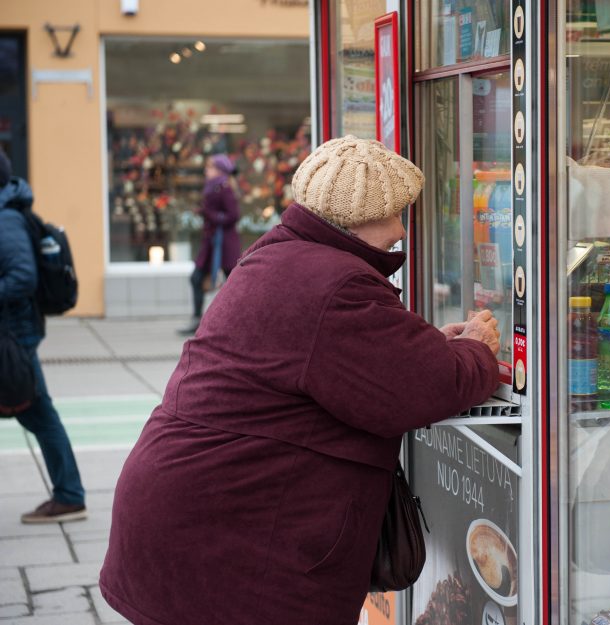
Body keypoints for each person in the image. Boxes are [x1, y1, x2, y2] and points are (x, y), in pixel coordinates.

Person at [100, 136, 501, 625]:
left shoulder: (282, 258)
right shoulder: (336, 282)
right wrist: (476, 348)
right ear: (359, 216)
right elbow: (424, 387)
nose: (400, 230)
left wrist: (422, 346)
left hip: (189, 519)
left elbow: (338, 360)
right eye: (396, 212)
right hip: (232, 541)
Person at [0, 148, 87, 523]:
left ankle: (69, 495)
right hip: (13, 333)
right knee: (38, 412)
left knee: (38, 413)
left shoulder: (5, 220)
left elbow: (22, 277)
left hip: (12, 336)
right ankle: (69, 493)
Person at [178, 153, 242, 335]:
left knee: (232, 284)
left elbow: (232, 216)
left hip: (223, 245)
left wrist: (209, 214)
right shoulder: (212, 187)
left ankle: (234, 321)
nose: (206, 171)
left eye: (210, 167)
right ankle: (197, 319)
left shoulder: (224, 188)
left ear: (219, 170)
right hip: (212, 244)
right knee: (197, 278)